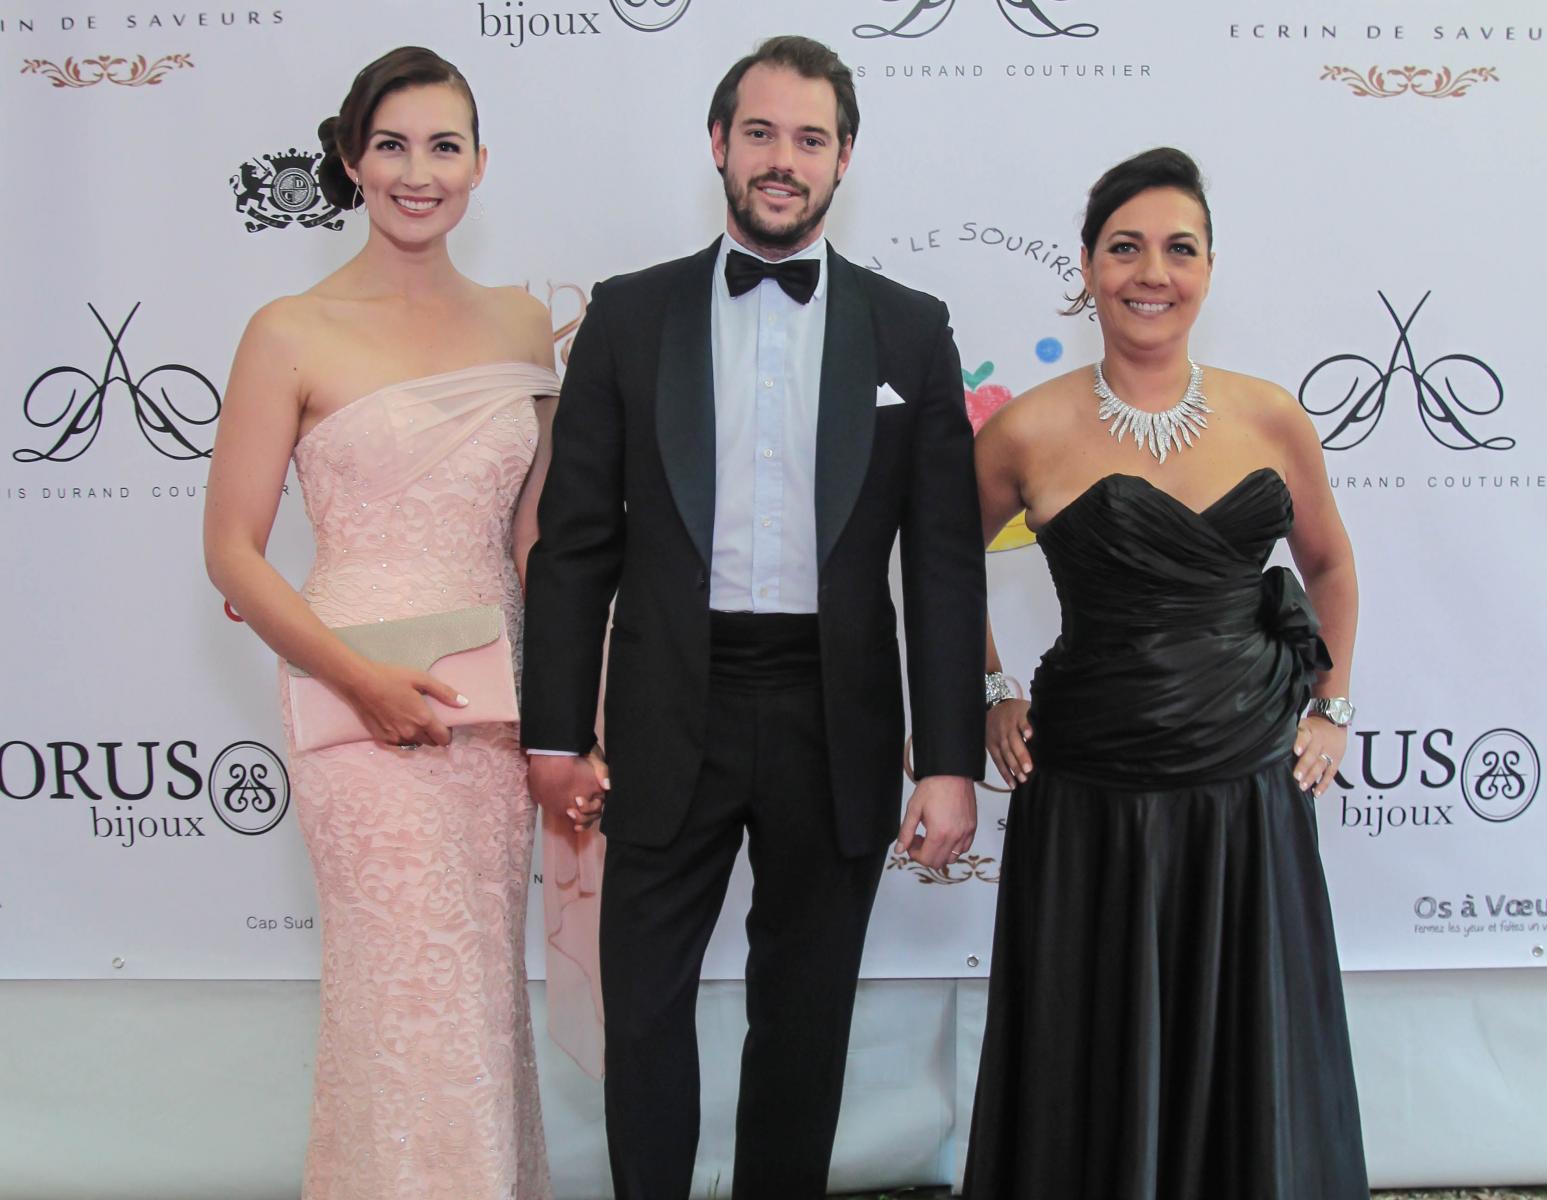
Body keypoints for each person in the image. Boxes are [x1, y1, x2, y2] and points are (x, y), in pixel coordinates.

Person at [522, 34, 987, 1200]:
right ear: (719, 145)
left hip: (836, 711)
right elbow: (576, 545)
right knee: (643, 1008)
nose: (784, 160)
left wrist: (949, 760)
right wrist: (552, 732)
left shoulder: (909, 327)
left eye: (811, 139)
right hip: (671, 699)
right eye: (763, 133)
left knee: (805, 1015)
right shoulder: (629, 319)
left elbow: (939, 562)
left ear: (844, 161)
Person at [202, 46, 599, 1199]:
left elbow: (535, 541)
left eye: (442, 145)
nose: (417, 172)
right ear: (348, 158)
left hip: (491, 700)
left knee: (474, 985)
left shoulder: (525, 326)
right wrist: (360, 680)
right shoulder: (289, 328)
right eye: (390, 145)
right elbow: (232, 547)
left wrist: (572, 708)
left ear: (479, 164)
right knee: (396, 987)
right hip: (350, 703)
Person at [963, 147, 1368, 1198]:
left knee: (1241, 1039)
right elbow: (935, 570)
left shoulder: (1270, 414)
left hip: (1246, 788)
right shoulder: (1026, 427)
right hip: (1093, 788)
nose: (1153, 271)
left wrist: (1331, 707)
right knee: (1092, 1038)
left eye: (1178, 249)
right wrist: (992, 692)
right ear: (1087, 268)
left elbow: (1327, 563)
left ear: (1208, 267)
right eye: (1125, 247)